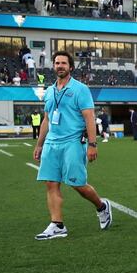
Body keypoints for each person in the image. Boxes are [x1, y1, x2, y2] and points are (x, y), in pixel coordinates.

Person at [33, 51, 112, 239]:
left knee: (78, 185)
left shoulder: (80, 89)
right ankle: (57, 225)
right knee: (51, 183)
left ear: (70, 67)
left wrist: (93, 144)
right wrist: (39, 144)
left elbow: (89, 117)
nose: (59, 66)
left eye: (63, 63)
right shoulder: (50, 91)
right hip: (52, 143)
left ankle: (101, 206)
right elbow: (47, 119)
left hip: (73, 142)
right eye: (57, 63)